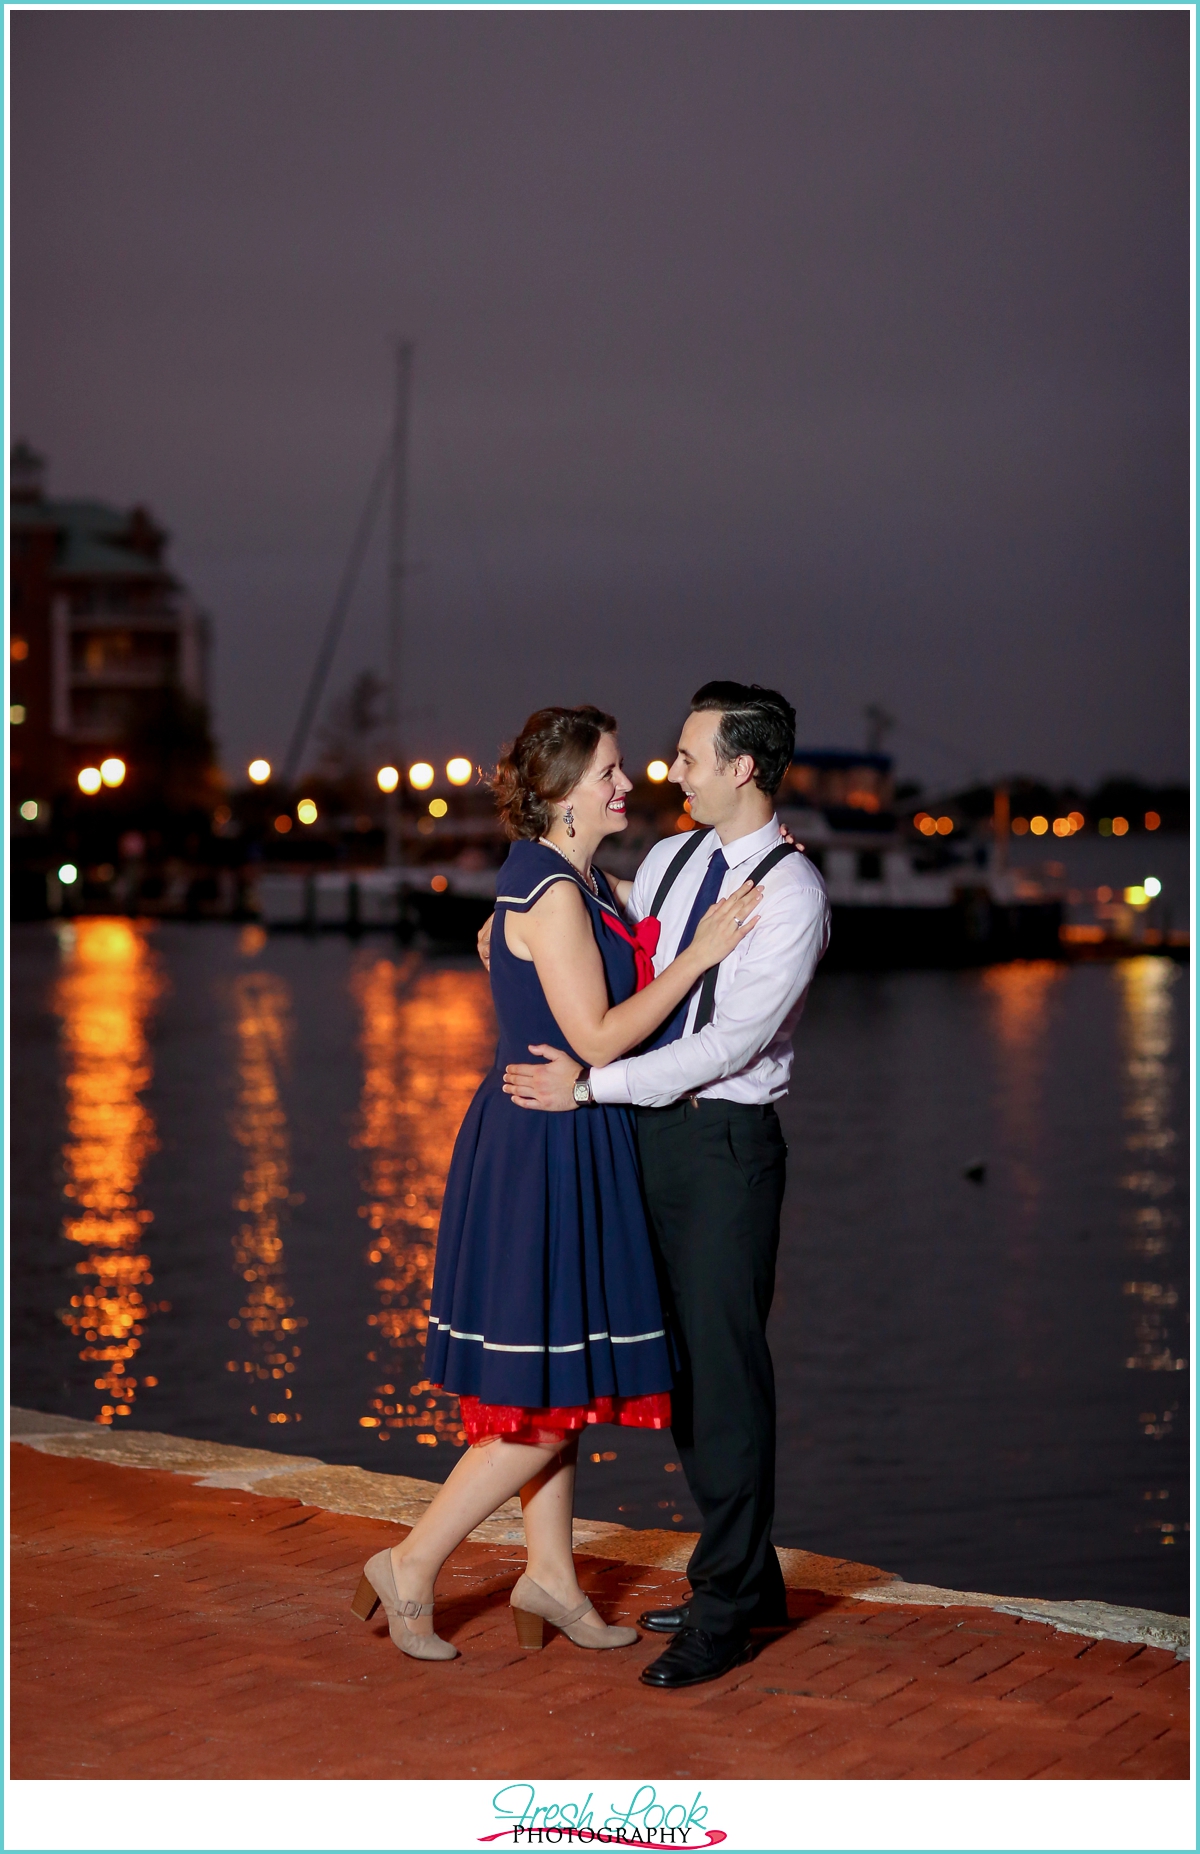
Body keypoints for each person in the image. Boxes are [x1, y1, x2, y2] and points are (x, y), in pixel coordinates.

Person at [351, 704, 761, 1662]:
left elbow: (561, 956)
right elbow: (599, 1039)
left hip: (560, 1135)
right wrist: (701, 955)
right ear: (565, 795)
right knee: (540, 1403)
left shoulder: (572, 880)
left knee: (558, 1384)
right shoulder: (557, 892)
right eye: (610, 773)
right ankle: (410, 1565)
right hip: (545, 1143)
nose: (628, 785)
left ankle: (551, 1579)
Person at [501, 682, 830, 1689]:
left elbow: (727, 1045)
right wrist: (503, 935)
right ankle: (748, 1576)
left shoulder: (793, 894)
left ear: (742, 767)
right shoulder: (674, 857)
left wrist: (593, 1084)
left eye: (688, 755)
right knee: (680, 1369)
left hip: (723, 1148)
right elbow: (619, 946)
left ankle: (728, 1609)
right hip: (645, 1139)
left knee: (726, 1374)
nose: (667, 770)